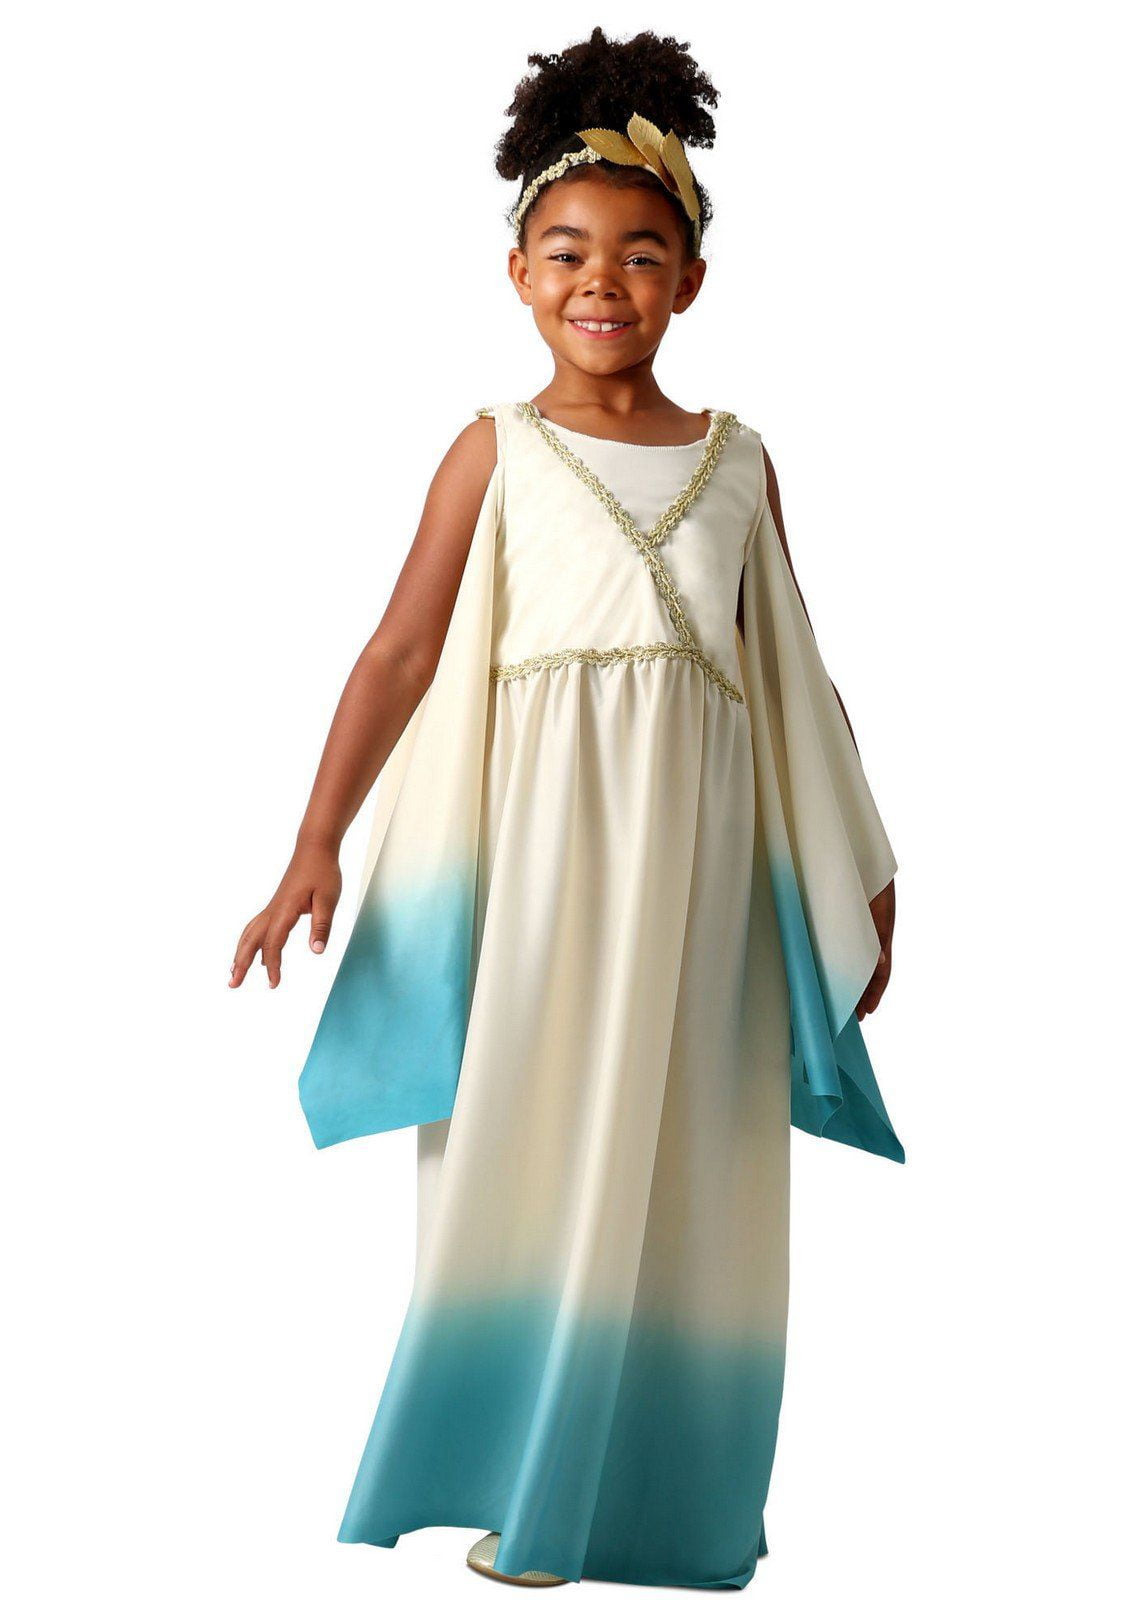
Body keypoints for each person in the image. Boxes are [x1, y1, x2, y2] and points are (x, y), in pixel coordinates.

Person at [230, 25, 902, 1592]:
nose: (605, 280)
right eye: (570, 251)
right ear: (519, 272)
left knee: (688, 1165)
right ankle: (518, 1484)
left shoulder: (738, 462)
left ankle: (662, 1497)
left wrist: (858, 871)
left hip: (699, 880)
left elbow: (795, 675)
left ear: (690, 281)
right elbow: (400, 651)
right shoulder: (497, 451)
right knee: (525, 1154)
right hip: (535, 873)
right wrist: (315, 839)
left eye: (642, 253)